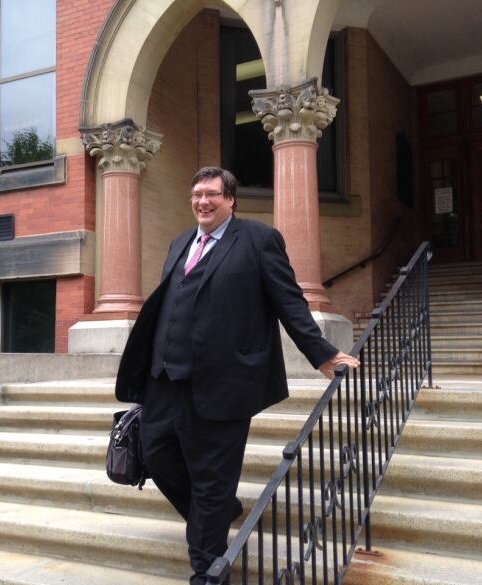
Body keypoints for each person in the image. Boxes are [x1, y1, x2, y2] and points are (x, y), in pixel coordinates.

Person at [115, 166, 359, 584]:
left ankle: (208, 570)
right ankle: (220, 513)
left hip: (223, 382)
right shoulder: (179, 243)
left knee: (212, 478)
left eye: (211, 194)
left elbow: (289, 300)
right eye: (196, 194)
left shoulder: (259, 240)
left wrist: (321, 354)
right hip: (165, 381)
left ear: (230, 200)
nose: (202, 202)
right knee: (156, 456)